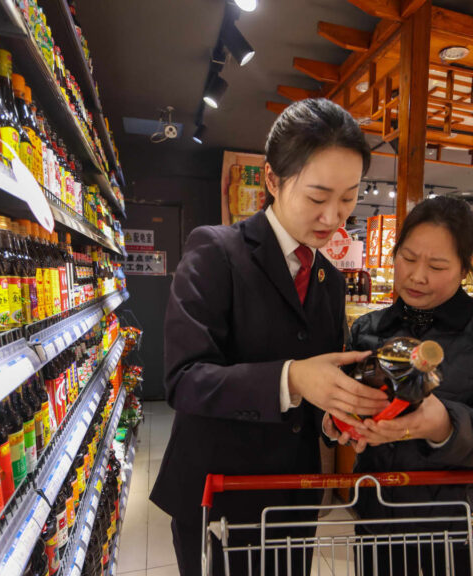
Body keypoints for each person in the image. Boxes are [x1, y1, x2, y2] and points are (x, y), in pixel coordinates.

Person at [151, 98, 391, 576]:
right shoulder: (217, 252)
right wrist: (292, 379)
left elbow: (318, 384)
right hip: (220, 495)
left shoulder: (329, 278)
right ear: (273, 180)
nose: (334, 217)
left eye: (349, 197)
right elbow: (185, 380)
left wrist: (337, 418)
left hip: (294, 495)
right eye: (318, 197)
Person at [326, 196, 473, 576]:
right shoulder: (368, 329)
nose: (417, 276)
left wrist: (444, 425)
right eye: (407, 258)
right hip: (381, 518)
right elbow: (344, 409)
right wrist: (337, 421)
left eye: (437, 265)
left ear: (464, 270)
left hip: (466, 524)